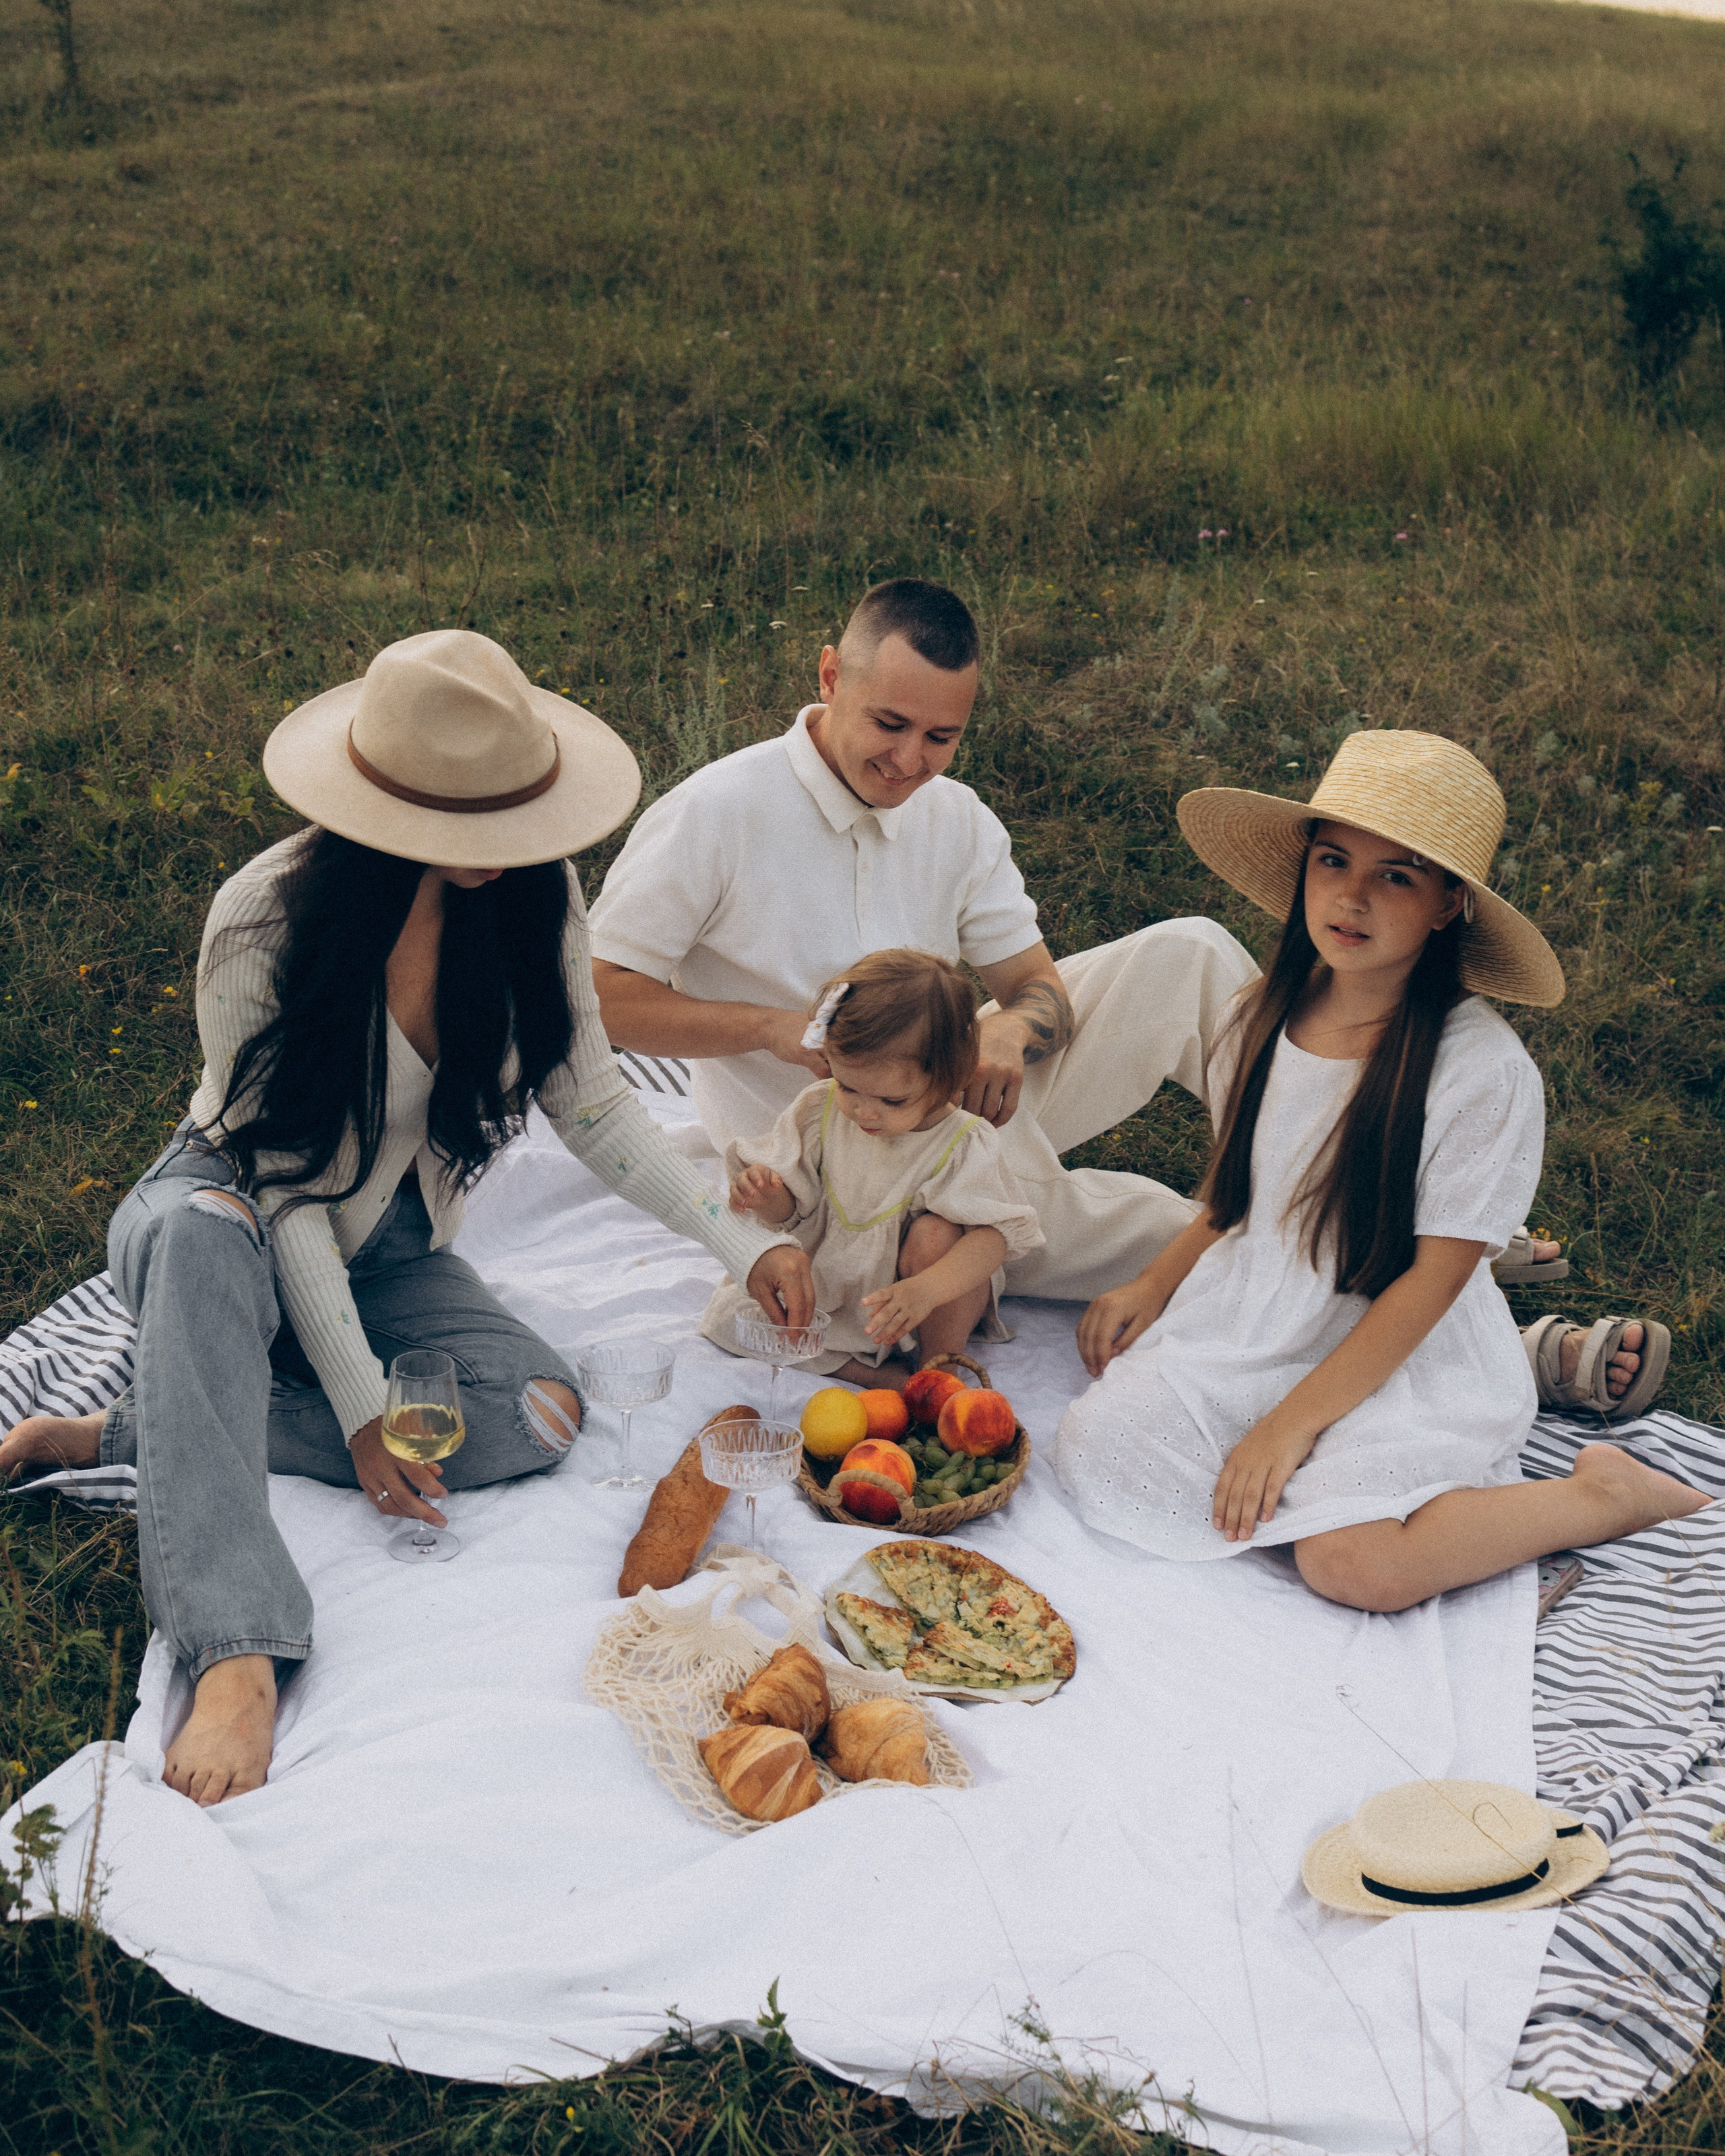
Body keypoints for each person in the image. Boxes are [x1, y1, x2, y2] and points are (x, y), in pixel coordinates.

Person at [0, 631, 813, 1806]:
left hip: (391, 1242)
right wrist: (359, 1408)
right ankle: (236, 1650)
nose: (504, 850)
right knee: (199, 1233)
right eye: (470, 826)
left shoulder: (536, 897)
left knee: (535, 1416)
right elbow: (281, 1190)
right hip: (232, 1220)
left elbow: (596, 1107)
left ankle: (146, 1426)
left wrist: (750, 1241)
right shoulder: (262, 922)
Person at [1050, 730, 1703, 1610]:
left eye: (1396, 876)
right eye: (1333, 861)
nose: (1352, 897)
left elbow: (1432, 1284)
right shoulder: (1256, 1017)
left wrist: (1286, 1428)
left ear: (1447, 904)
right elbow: (1239, 1195)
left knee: (1352, 1564)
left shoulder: (1481, 1072)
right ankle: (1319, 1473)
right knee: (1102, 1448)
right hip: (1259, 1316)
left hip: (1405, 1351)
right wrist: (1154, 1283)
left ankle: (1598, 1496)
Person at [591, 577, 1261, 1305]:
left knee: (1194, 953)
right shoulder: (715, 811)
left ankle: (1319, 1171)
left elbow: (1038, 989)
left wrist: (1011, 1029)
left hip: (949, 1088)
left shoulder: (956, 817)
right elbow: (598, 999)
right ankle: (1275, 1246)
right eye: (890, 724)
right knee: (1184, 1241)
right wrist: (769, 1029)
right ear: (830, 677)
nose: (910, 759)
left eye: (941, 737)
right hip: (833, 1156)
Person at [702, 949, 1044, 1387]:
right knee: (733, 1318)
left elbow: (993, 1240)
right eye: (848, 1087)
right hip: (831, 1282)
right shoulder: (819, 1109)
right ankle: (866, 1373)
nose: (864, 1111)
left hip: (922, 1292)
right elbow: (793, 1212)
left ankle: (937, 1370)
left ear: (948, 1079)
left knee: (935, 1235)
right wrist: (767, 1193)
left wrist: (928, 1289)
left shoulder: (960, 1142)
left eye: (892, 1100)